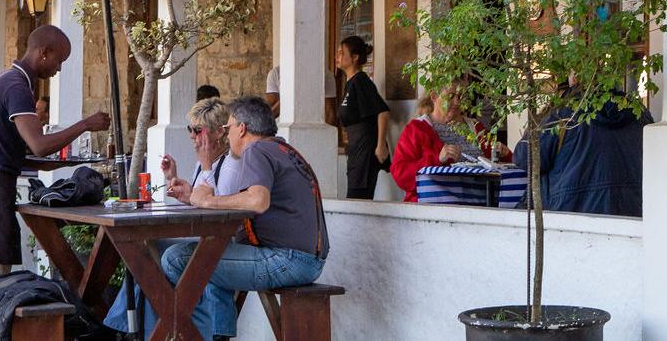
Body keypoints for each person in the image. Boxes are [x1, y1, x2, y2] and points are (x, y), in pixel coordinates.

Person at [0, 25, 110, 288]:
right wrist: (85, 125)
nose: (59, 68)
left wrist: (53, 163)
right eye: (59, 60)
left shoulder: (2, 79)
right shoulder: (17, 87)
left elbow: (4, 148)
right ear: (43, 52)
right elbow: (39, 145)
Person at [161, 96, 329, 341]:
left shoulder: (256, 150)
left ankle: (198, 334)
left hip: (285, 260)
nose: (227, 135)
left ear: (242, 128)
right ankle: (218, 335)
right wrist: (193, 198)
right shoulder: (283, 150)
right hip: (307, 260)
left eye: (228, 128)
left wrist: (207, 201)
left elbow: (257, 201)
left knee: (175, 258)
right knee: (210, 256)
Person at [104, 98, 246, 338]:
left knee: (148, 262)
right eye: (190, 129)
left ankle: (128, 330)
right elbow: (201, 200)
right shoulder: (205, 164)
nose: (191, 135)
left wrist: (205, 168)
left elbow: (218, 214)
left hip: (220, 243)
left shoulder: (230, 166)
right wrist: (177, 182)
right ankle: (139, 330)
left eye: (198, 130)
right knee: (145, 256)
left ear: (219, 132)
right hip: (203, 238)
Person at [514, 87, 650, 217]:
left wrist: (536, 125)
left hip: (569, 217)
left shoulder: (564, 114)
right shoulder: (639, 112)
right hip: (633, 216)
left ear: (575, 79)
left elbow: (524, 158)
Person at [335, 36, 390, 199]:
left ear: (354, 57)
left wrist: (381, 145)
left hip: (365, 150)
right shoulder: (350, 83)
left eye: (341, 53)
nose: (337, 56)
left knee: (357, 198)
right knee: (355, 199)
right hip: (355, 149)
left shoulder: (361, 81)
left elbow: (383, 112)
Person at [390, 93, 464, 202]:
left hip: (478, 208)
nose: (457, 101)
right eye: (451, 95)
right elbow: (400, 174)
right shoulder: (417, 129)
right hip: (429, 208)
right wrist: (436, 160)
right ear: (434, 96)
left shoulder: (476, 128)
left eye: (461, 95)